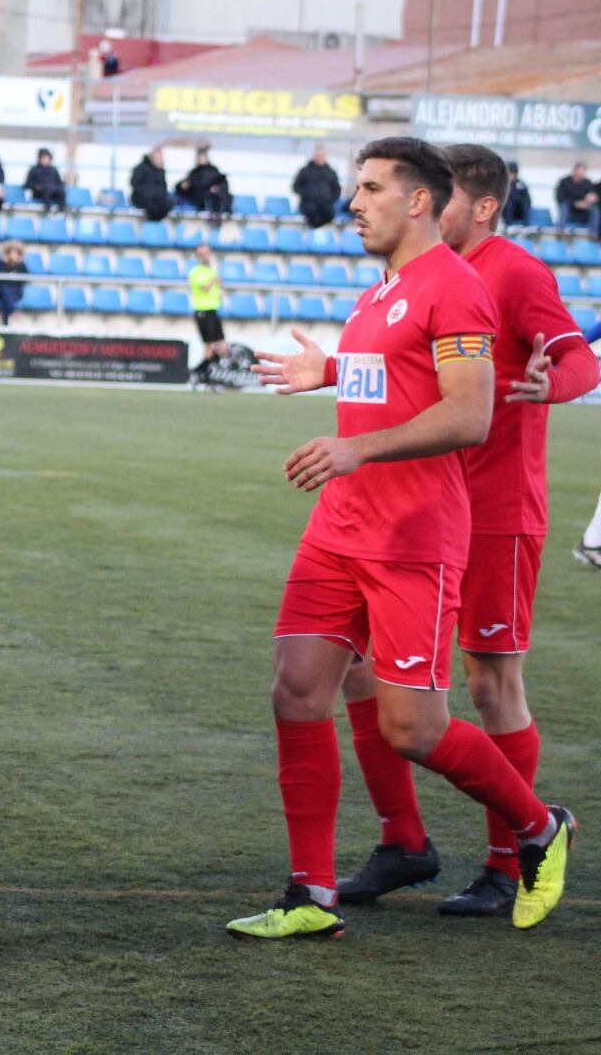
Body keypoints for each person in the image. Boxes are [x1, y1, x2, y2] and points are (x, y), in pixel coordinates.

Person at [237, 136, 575, 940]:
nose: (353, 203)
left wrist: (354, 447)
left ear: (418, 200)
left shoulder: (454, 288)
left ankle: (537, 828)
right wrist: (328, 373)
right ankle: (309, 897)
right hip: (340, 527)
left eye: (371, 188)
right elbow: (394, 379)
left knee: (411, 728)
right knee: (297, 690)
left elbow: (469, 413)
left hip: (412, 535)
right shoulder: (379, 290)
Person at [330, 144, 597, 916]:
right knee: (359, 670)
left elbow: (579, 360)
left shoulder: (512, 271)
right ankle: (404, 842)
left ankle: (510, 861)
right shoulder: (413, 276)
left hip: (496, 511)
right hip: (419, 508)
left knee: (490, 681)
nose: (422, 205)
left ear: (478, 207)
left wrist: (550, 386)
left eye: (440, 197)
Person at [187, 242, 228, 389]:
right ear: (198, 256)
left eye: (207, 253)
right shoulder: (196, 272)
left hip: (213, 311)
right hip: (203, 311)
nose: (206, 256)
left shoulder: (212, 270)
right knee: (209, 347)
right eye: (202, 253)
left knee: (223, 347)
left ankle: (198, 371)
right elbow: (204, 288)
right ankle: (206, 378)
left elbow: (217, 288)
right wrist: (213, 281)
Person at [175, 148, 231, 223]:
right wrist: (182, 186)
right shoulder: (194, 173)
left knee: (217, 197)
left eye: (203, 157)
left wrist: (217, 188)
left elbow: (223, 184)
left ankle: (217, 216)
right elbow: (183, 186)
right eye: (200, 157)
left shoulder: (214, 171)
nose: (201, 159)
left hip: (213, 198)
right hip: (200, 199)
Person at [294, 145, 342, 229]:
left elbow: (337, 189)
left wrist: (330, 198)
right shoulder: (305, 171)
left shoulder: (331, 172)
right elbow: (296, 187)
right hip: (309, 202)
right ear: (314, 156)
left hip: (326, 203)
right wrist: (307, 194)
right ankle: (314, 231)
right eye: (318, 155)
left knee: (330, 213)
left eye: (321, 155)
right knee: (311, 211)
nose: (320, 157)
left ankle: (317, 230)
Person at [0, 240, 27, 324]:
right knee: (5, 289)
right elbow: (0, 278)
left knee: (7, 294)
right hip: (0, 290)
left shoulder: (21, 265)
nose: (14, 255)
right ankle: (11, 311)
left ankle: (6, 320)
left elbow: (25, 278)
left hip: (15, 292)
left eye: (16, 252)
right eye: (12, 252)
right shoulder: (1, 263)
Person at [554, 162, 598, 233]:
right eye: (578, 172)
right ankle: (560, 232)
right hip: (569, 212)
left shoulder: (588, 183)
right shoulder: (564, 182)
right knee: (564, 206)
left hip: (584, 213)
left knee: (595, 210)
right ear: (574, 171)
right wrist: (575, 204)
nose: (580, 174)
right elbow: (560, 198)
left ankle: (594, 234)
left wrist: (590, 201)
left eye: (582, 172)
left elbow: (592, 196)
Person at [130, 147, 172, 222]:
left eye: (160, 157)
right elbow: (135, 184)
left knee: (169, 202)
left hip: (156, 199)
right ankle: (151, 224)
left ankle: (155, 224)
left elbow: (163, 188)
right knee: (152, 206)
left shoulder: (161, 171)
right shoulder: (141, 168)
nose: (159, 159)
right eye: (157, 157)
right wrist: (149, 193)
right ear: (151, 157)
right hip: (141, 198)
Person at [25, 148, 65, 215]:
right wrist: (36, 187)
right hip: (40, 193)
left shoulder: (53, 170)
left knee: (61, 191)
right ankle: (47, 211)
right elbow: (27, 184)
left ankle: (61, 210)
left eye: (47, 158)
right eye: (43, 158)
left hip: (53, 192)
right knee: (47, 188)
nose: (45, 160)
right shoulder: (34, 170)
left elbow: (59, 183)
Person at [502, 161, 531, 227]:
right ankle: (508, 225)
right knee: (509, 203)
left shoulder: (521, 184)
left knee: (523, 202)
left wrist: (517, 199)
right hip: (505, 211)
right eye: (509, 173)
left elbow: (528, 199)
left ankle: (525, 225)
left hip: (518, 211)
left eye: (513, 173)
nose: (511, 176)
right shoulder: (502, 184)